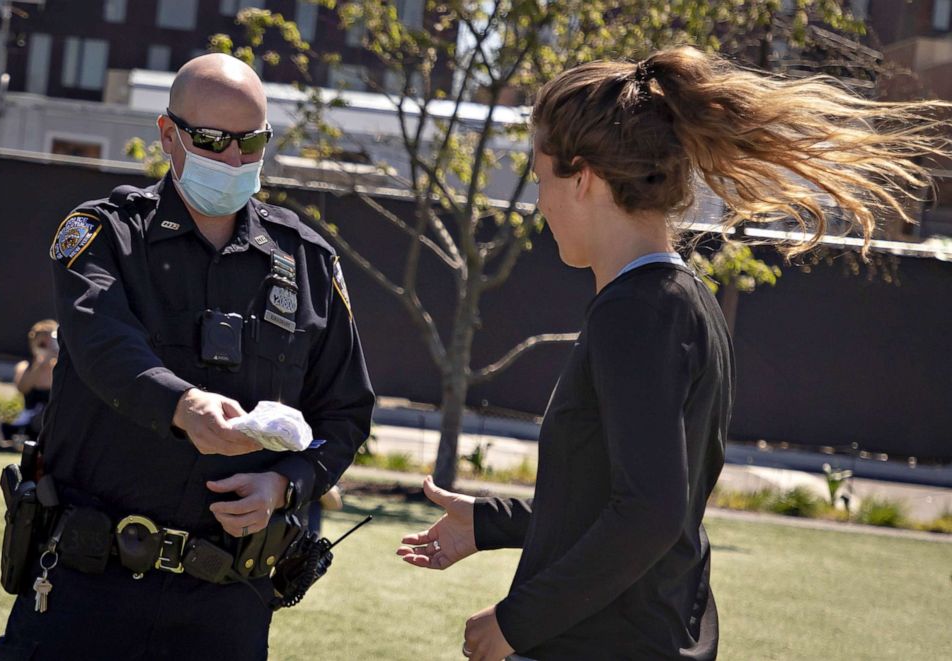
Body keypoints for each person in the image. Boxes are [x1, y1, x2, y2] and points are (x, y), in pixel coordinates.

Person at [397, 46, 951, 660]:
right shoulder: (678, 300)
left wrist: (516, 622)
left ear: (581, 177)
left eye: (540, 177)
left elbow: (651, 514)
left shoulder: (638, 312)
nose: (538, 203)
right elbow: (627, 495)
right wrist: (493, 522)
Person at [0, 53, 374, 660]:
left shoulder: (309, 263)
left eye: (253, 142)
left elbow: (345, 412)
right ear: (169, 135)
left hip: (225, 606)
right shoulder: (105, 236)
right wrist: (183, 405)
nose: (236, 160)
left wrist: (284, 483)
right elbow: (102, 345)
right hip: (88, 586)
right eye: (214, 141)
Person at [0, 319, 58, 453]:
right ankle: (10, 445)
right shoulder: (25, 366)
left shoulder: (59, 368)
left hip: (48, 422)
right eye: (42, 342)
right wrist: (40, 362)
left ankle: (15, 445)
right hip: (28, 420)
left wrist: (54, 357)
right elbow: (23, 387)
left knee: (42, 420)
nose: (46, 346)